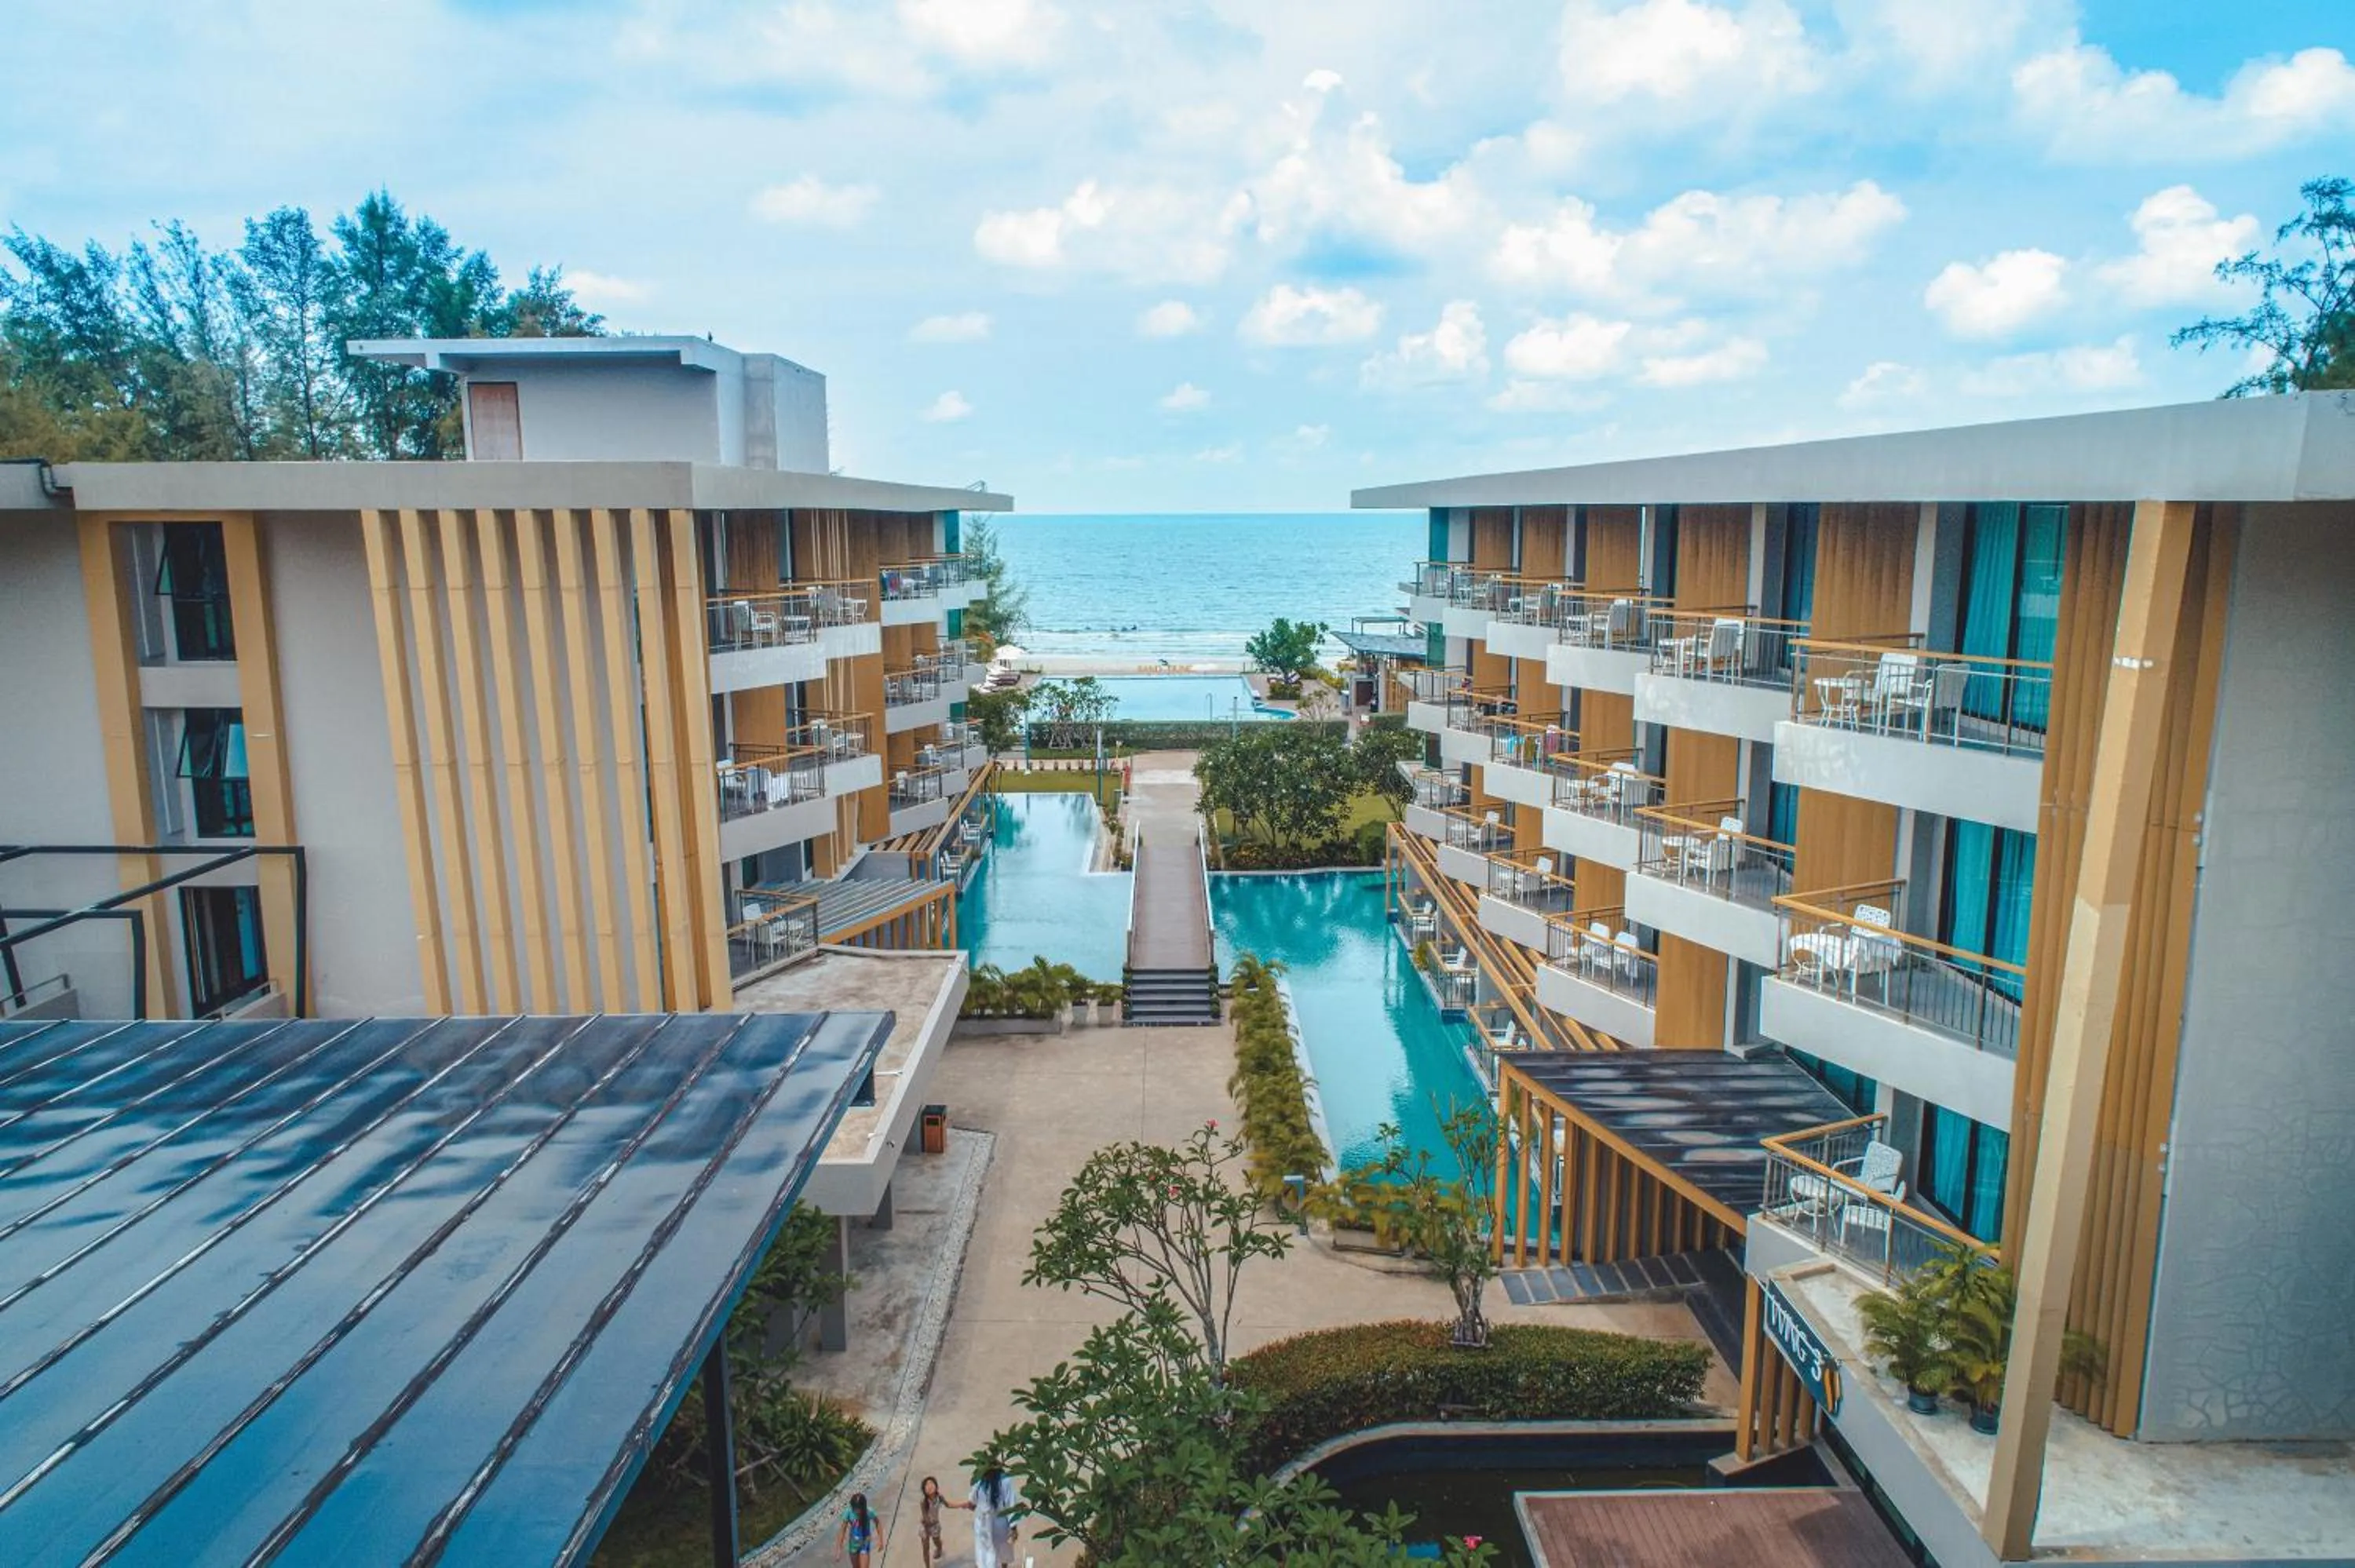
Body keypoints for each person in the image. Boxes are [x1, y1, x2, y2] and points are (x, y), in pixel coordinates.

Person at [964, 1464, 1019, 1568]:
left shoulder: (1004, 1481)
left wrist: (1013, 1526)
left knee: (1002, 1551)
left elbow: (1011, 1503)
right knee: (983, 1552)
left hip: (999, 1523)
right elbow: (973, 1500)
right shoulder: (979, 1480)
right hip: (983, 1523)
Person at [837, 1491, 882, 1566]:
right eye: (855, 1508)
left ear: (863, 1507)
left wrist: (880, 1540)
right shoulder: (848, 1512)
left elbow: (878, 1523)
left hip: (865, 1543)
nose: (857, 1511)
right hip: (853, 1545)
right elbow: (842, 1531)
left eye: (859, 1509)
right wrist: (839, 1549)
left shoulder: (869, 1512)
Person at [915, 1475, 947, 1567]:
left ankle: (939, 1548)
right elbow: (925, 1517)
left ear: (936, 1486)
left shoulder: (940, 1498)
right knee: (926, 1548)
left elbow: (948, 1504)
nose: (929, 1486)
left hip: (935, 1525)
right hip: (925, 1527)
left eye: (931, 1483)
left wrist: (963, 1504)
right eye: (927, 1485)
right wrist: (927, 1524)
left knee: (937, 1541)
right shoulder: (923, 1502)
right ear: (924, 1490)